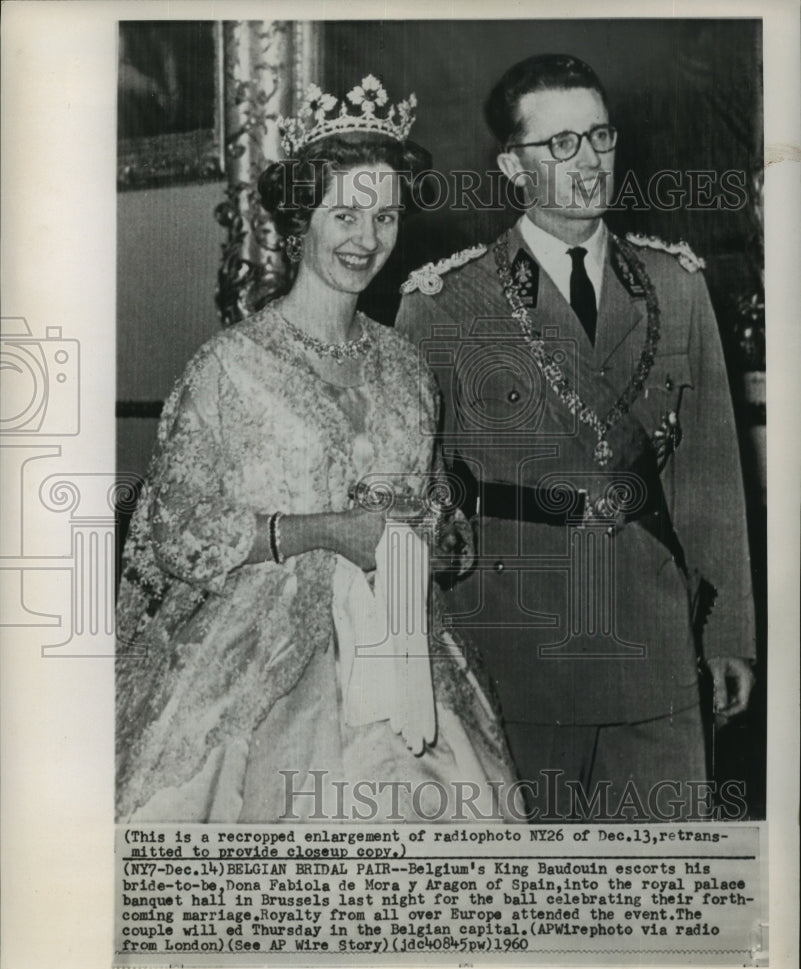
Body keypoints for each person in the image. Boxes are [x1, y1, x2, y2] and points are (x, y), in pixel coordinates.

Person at [115, 77, 519, 824]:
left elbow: (436, 509)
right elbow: (175, 534)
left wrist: (436, 537)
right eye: (344, 213)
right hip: (258, 660)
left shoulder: (404, 365)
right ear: (299, 220)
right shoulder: (230, 367)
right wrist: (324, 531)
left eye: (385, 215)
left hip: (399, 647)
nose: (366, 237)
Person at [396, 54, 756, 821]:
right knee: (533, 909)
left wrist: (729, 636)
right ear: (511, 167)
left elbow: (710, 476)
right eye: (560, 144)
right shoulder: (445, 304)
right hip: (517, 651)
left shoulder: (676, 286)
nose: (588, 162)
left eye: (598, 137)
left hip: (657, 648)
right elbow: (420, 503)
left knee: (661, 898)